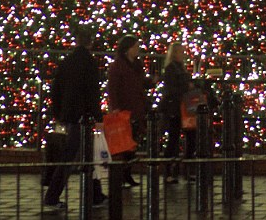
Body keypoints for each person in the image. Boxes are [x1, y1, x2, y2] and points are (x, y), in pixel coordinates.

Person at [44, 26, 105, 211]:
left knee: (85, 155)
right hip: (83, 117)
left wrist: (58, 113)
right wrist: (98, 116)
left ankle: (95, 195)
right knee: (75, 156)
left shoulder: (67, 61)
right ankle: (53, 197)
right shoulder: (89, 63)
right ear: (90, 41)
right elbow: (92, 92)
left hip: (70, 115)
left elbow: (56, 89)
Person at [106, 34, 149, 188]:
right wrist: (115, 107)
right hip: (125, 107)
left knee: (133, 142)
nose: (138, 50)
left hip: (137, 107)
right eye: (135, 46)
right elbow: (113, 87)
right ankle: (123, 174)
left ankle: (127, 173)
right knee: (124, 143)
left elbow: (140, 83)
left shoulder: (136, 64)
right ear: (127, 49)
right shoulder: (118, 66)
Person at [159, 42, 196, 183]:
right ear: (174, 53)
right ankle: (170, 171)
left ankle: (180, 170)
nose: (184, 54)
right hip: (175, 108)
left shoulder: (179, 68)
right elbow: (171, 89)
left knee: (188, 138)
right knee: (174, 139)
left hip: (183, 107)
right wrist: (187, 87)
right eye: (181, 52)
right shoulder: (171, 69)